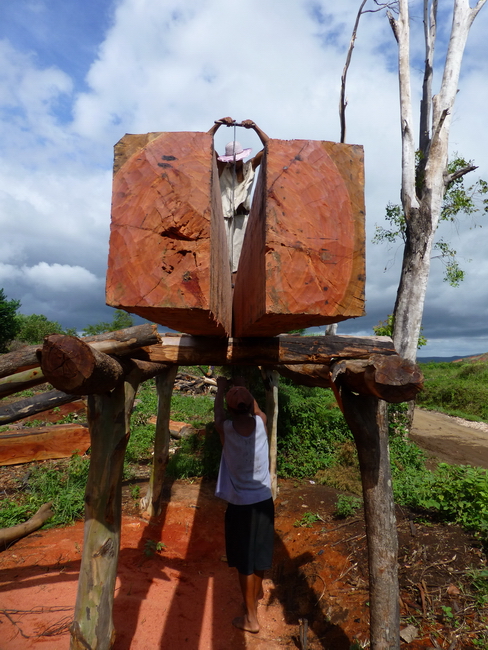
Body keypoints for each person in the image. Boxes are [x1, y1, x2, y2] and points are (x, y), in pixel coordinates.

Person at [213, 376, 274, 634]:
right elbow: (259, 410)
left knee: (244, 563)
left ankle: (250, 618)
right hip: (264, 502)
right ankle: (256, 592)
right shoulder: (261, 423)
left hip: (240, 507)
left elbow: (217, 413)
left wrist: (221, 388)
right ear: (250, 406)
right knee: (259, 556)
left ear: (229, 408)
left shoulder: (225, 429)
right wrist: (245, 389)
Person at [208, 117, 269, 274]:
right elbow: (204, 142)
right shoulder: (222, 168)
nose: (236, 163)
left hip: (242, 219)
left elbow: (270, 146)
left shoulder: (250, 167)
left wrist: (255, 127)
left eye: (238, 160)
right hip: (223, 218)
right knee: (220, 260)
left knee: (239, 263)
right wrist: (218, 125)